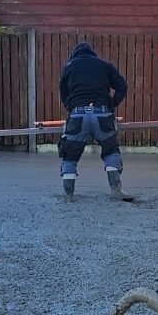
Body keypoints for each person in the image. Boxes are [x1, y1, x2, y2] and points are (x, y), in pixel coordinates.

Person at [57, 41, 129, 201]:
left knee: (69, 155)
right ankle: (116, 190)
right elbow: (122, 86)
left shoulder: (69, 67)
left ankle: (68, 195)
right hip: (102, 115)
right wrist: (111, 104)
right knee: (111, 150)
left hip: (78, 116)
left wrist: (71, 106)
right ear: (92, 54)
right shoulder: (104, 65)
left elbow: (63, 93)